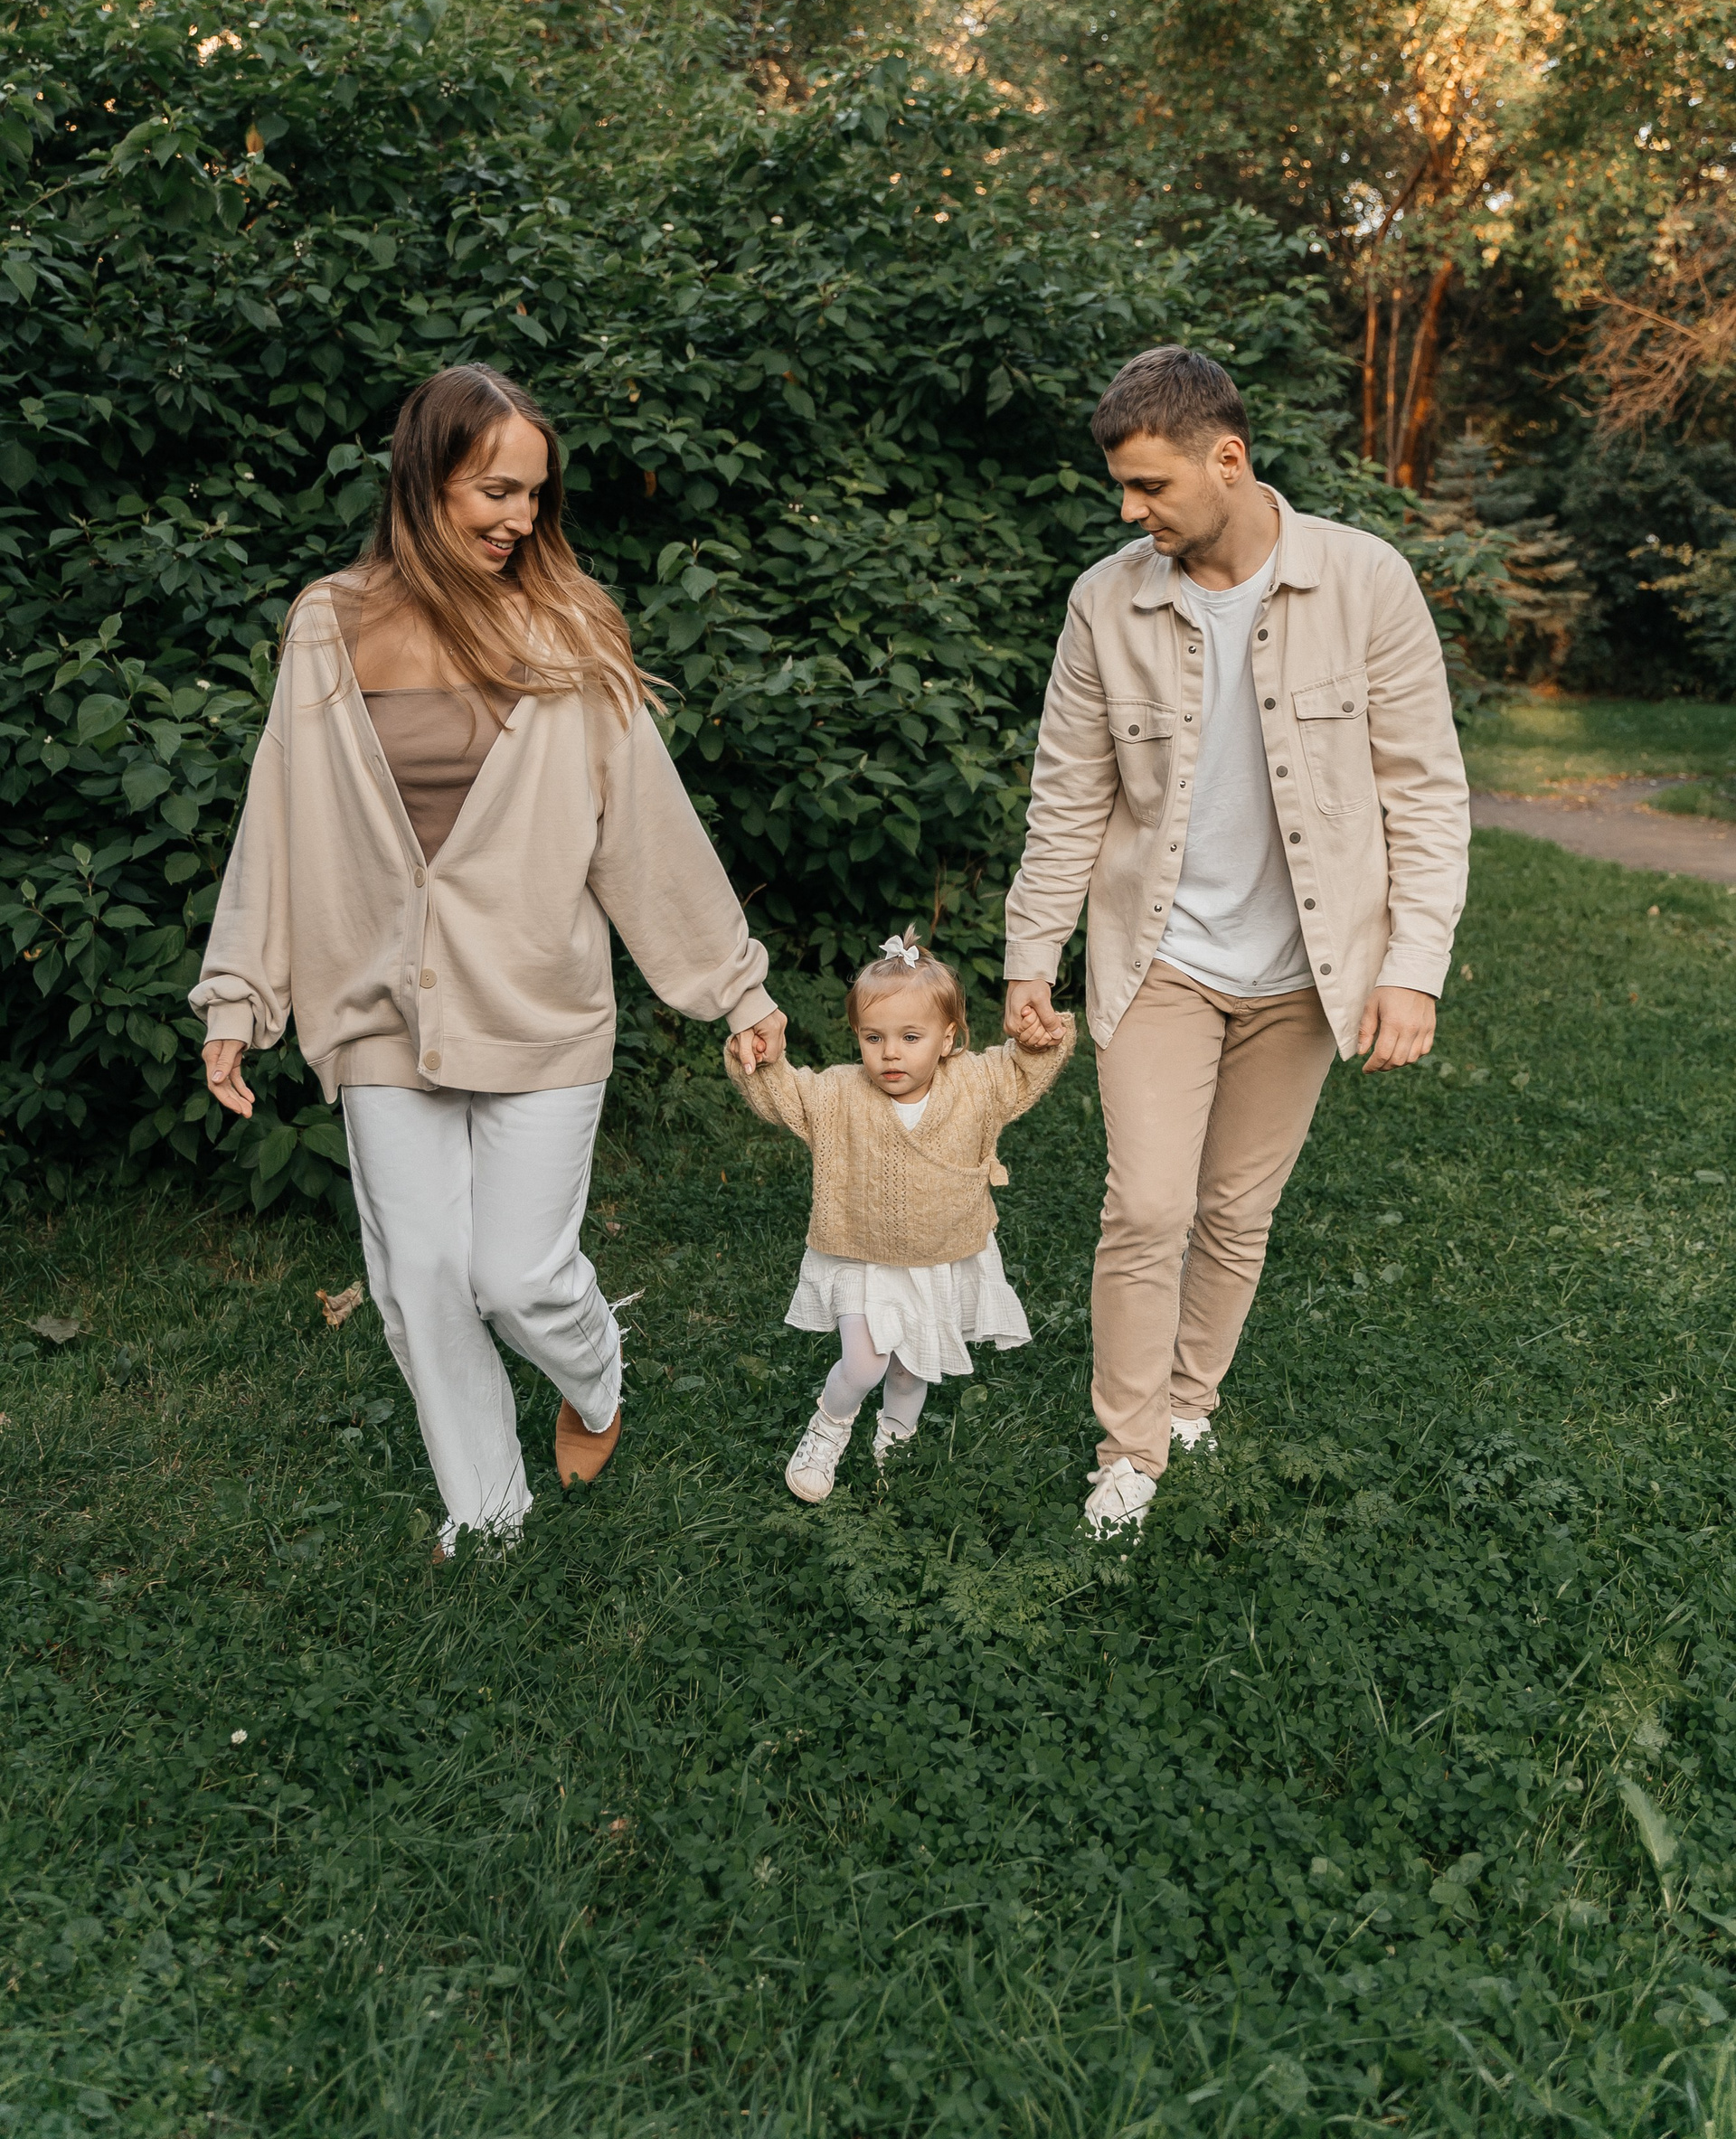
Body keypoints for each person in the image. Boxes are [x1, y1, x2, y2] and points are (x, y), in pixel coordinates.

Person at [193, 364, 785, 1559]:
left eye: (533, 495)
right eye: (495, 491)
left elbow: (643, 824)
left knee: (518, 1277)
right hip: (376, 1004)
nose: (520, 518)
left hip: (539, 1000)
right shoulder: (328, 624)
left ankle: (595, 1373)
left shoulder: (566, 629)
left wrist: (736, 987)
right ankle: (489, 1511)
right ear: (426, 478)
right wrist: (239, 996)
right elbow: (280, 812)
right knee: (419, 1275)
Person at [1003, 345, 1469, 1539]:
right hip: (1159, 956)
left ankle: (1190, 1400)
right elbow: (1069, 797)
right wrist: (1030, 956)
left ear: (1228, 458)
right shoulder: (1105, 603)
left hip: (1307, 971)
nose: (1129, 510)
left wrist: (1413, 970)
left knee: (1235, 1210)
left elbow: (1425, 792)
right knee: (1147, 1207)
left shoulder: (1365, 582)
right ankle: (1129, 1447)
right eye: (1121, 485)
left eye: (1149, 485)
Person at [727, 928, 1074, 1503]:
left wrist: (1038, 1039)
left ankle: (896, 1438)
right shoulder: (839, 1095)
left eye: (911, 1037)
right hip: (861, 1252)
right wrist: (763, 1060)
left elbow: (1021, 1070)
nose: (890, 1053)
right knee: (864, 1364)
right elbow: (785, 1096)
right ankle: (830, 1425)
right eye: (873, 1037)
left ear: (947, 1038)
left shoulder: (976, 1084)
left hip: (936, 1256)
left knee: (911, 1369)